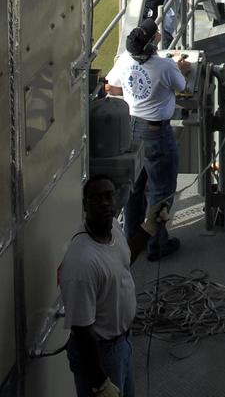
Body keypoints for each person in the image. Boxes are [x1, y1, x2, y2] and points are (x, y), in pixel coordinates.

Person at [58, 175, 152, 396]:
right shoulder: (82, 262)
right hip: (100, 354)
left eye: (108, 196)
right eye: (96, 198)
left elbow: (124, 258)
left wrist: (150, 227)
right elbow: (82, 330)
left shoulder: (113, 230)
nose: (104, 203)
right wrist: (100, 382)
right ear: (85, 205)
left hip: (123, 343)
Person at [105, 20, 190, 261]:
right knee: (161, 191)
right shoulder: (165, 67)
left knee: (134, 188)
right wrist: (180, 68)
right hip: (157, 133)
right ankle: (156, 244)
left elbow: (110, 87)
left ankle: (133, 242)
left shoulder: (124, 60)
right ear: (154, 43)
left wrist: (131, 91)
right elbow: (182, 85)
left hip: (132, 129)